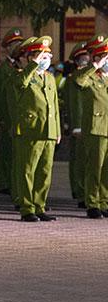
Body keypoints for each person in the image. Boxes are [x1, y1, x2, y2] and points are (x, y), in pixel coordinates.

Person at [6, 36, 60, 222]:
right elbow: (20, 84)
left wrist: (57, 130)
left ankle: (39, 206)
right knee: (27, 169)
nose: (46, 59)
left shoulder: (49, 78)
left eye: (47, 56)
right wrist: (33, 65)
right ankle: (27, 207)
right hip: (31, 129)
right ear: (31, 58)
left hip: (48, 130)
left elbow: (54, 106)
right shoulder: (21, 75)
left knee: (44, 171)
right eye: (41, 56)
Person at [71, 37, 108, 219]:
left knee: (107, 169)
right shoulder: (88, 75)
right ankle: (92, 203)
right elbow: (79, 81)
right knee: (95, 167)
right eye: (105, 58)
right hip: (96, 128)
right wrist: (94, 66)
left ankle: (104, 201)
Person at [0, 29, 25, 199]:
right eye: (14, 44)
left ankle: (14, 183)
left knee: (17, 153)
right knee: (6, 150)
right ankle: (4, 182)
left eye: (19, 43)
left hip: (20, 115)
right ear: (7, 48)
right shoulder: (2, 69)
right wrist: (2, 118)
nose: (18, 46)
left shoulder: (21, 66)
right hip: (7, 115)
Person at [60, 41, 90, 207]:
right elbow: (75, 103)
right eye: (85, 58)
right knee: (79, 160)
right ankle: (79, 191)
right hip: (80, 125)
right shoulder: (74, 79)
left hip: (92, 123)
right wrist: (76, 125)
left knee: (88, 160)